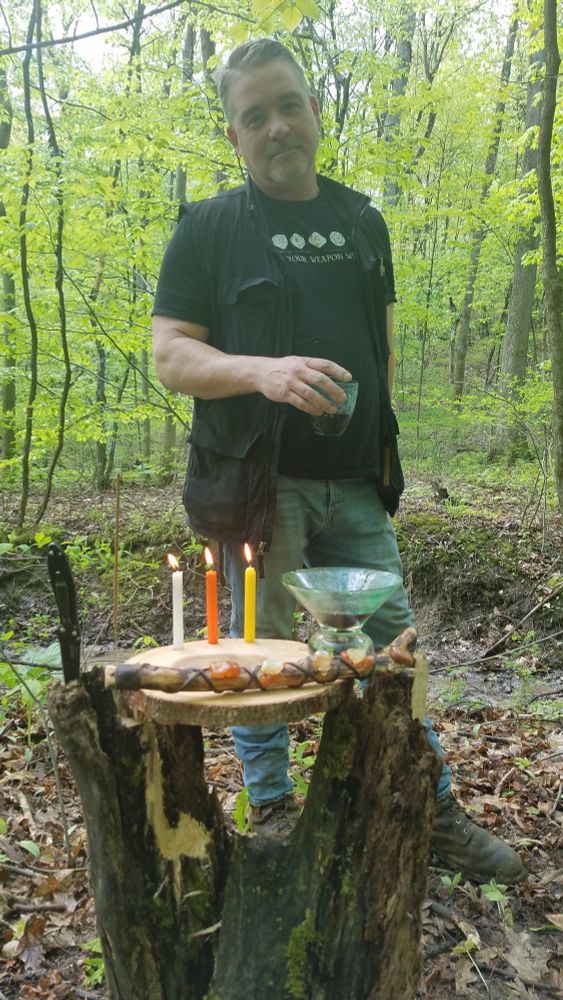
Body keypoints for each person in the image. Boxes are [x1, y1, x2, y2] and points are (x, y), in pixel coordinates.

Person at [152, 38, 525, 884]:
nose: (276, 126)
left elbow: (379, 346)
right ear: (233, 136)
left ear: (315, 110)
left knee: (395, 657)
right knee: (262, 657)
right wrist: (263, 373)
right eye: (254, 116)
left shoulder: (363, 219)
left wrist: (375, 435)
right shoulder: (207, 228)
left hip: (356, 487)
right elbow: (170, 356)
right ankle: (274, 813)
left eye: (288, 105)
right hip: (255, 487)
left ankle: (426, 805)